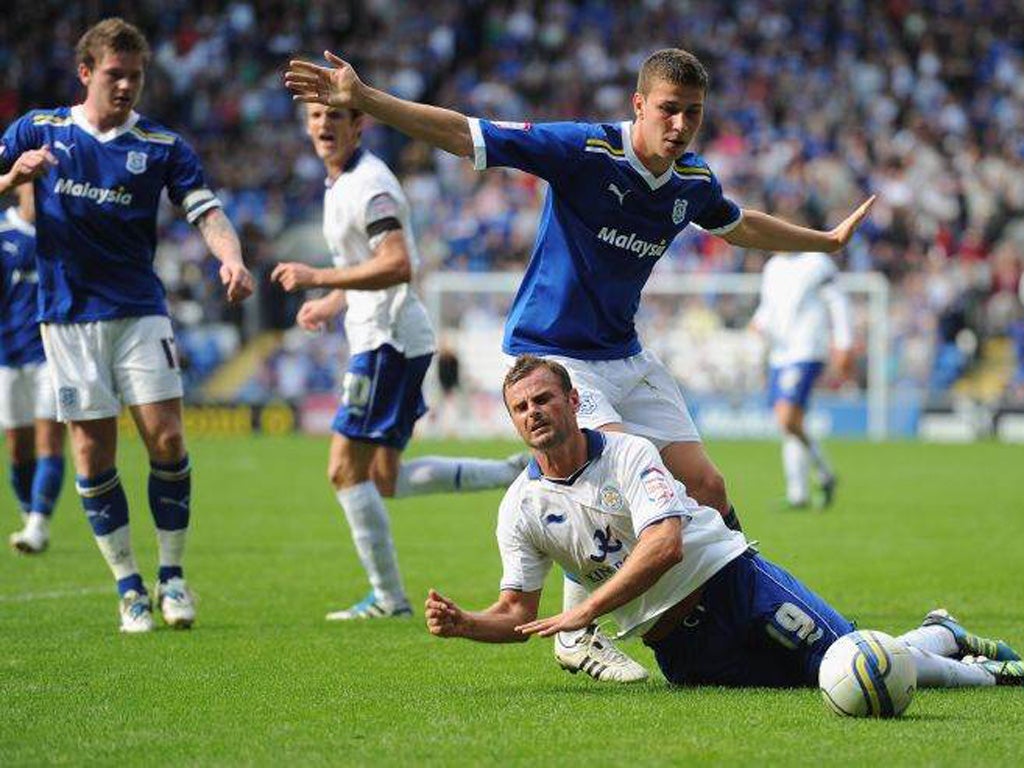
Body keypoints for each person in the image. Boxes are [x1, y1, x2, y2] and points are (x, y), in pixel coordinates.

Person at [285, 47, 874, 681]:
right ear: (639, 105)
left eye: (693, 115)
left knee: (707, 488)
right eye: (669, 111)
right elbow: (465, 132)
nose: (680, 127)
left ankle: (747, 607)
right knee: (615, 478)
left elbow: (741, 227)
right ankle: (579, 634)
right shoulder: (585, 152)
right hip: (554, 351)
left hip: (624, 351)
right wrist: (367, 99)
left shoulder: (692, 181)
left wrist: (828, 241)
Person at [425, 355, 1024, 691]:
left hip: (736, 583)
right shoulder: (520, 506)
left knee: (853, 664)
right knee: (837, 679)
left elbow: (664, 544)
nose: (535, 413)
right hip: (679, 649)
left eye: (545, 399)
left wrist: (587, 610)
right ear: (511, 419)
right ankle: (942, 632)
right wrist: (466, 625)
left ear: (574, 403)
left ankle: (992, 675)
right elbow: (517, 613)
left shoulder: (628, 453)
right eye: (522, 407)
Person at [0, 18, 254, 632]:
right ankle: (128, 586)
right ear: (86, 72)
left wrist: (231, 257)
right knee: (92, 450)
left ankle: (172, 576)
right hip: (66, 319)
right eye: (115, 75)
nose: (126, 87)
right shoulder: (39, 130)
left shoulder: (163, 145)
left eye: (135, 77)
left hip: (140, 309)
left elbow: (206, 210)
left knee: (167, 440)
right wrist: (12, 178)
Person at [271, 102, 526, 620]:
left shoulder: (371, 185)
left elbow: (397, 264)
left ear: (359, 124)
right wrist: (332, 300)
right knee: (384, 477)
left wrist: (316, 278)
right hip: (390, 337)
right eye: (316, 116)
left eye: (335, 117)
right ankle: (513, 471)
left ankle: (389, 599)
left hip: (386, 341)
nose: (323, 126)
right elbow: (365, 266)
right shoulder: (340, 183)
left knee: (344, 470)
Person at [750, 252, 854, 508]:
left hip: (807, 349)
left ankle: (823, 472)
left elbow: (837, 302)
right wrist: (757, 323)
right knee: (789, 424)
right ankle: (801, 492)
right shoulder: (773, 266)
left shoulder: (818, 261)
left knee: (788, 418)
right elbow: (768, 307)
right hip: (779, 353)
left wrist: (844, 343)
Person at [1, 183, 65, 554]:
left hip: (52, 356)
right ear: (21, 188)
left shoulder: (65, 238)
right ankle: (31, 516)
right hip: (6, 356)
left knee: (49, 440)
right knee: (18, 449)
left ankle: (39, 522)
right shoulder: (4, 234)